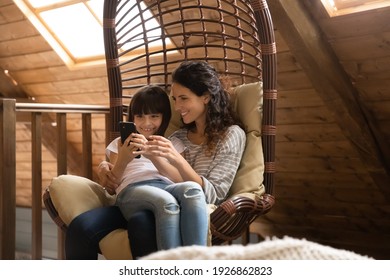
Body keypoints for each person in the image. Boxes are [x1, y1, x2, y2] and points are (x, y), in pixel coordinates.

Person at [65, 61, 246, 259]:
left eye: (183, 98)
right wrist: (108, 166)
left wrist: (170, 158)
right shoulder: (178, 137)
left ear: (206, 97)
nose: (177, 107)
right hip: (139, 195)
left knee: (158, 211)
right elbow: (111, 184)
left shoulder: (218, 137)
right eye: (175, 99)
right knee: (88, 226)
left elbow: (208, 194)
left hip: (167, 194)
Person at [106, 85, 208, 250]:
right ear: (132, 118)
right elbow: (111, 187)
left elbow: (179, 179)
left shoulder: (173, 144)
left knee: (193, 190)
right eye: (139, 116)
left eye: (154, 116)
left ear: (164, 117)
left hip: (167, 187)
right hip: (132, 190)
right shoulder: (119, 144)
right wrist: (124, 158)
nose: (146, 123)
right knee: (166, 202)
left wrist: (153, 156)